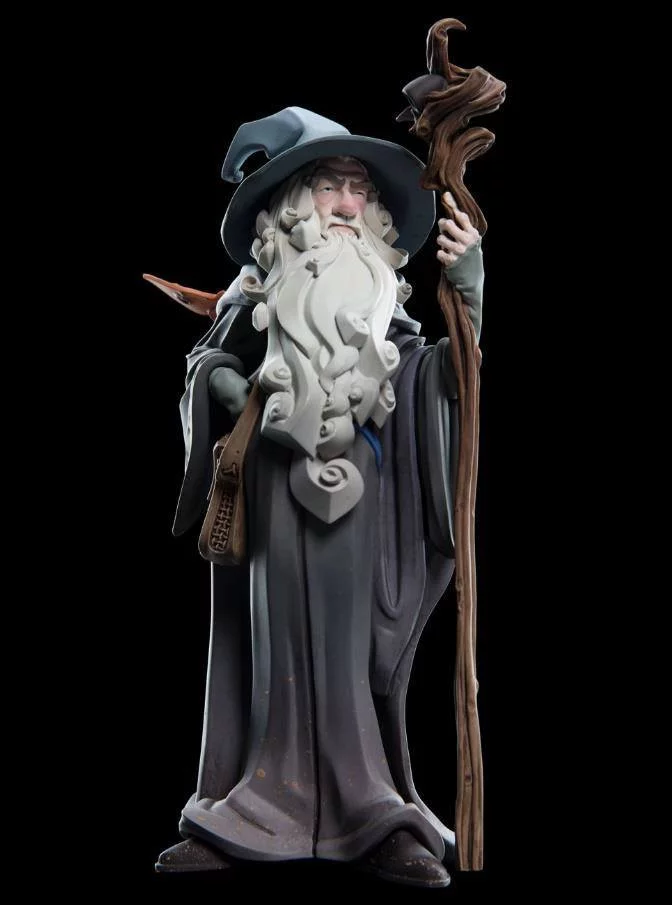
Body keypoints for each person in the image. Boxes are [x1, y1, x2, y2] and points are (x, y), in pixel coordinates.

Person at [153, 107, 484, 888]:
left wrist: (469, 288)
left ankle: (371, 811)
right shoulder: (258, 296)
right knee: (270, 647)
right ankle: (249, 807)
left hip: (364, 497)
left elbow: (443, 378)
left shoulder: (381, 309)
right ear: (295, 204)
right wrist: (231, 388)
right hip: (272, 490)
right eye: (330, 185)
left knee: (345, 651)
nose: (345, 202)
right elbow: (205, 364)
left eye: (358, 190)